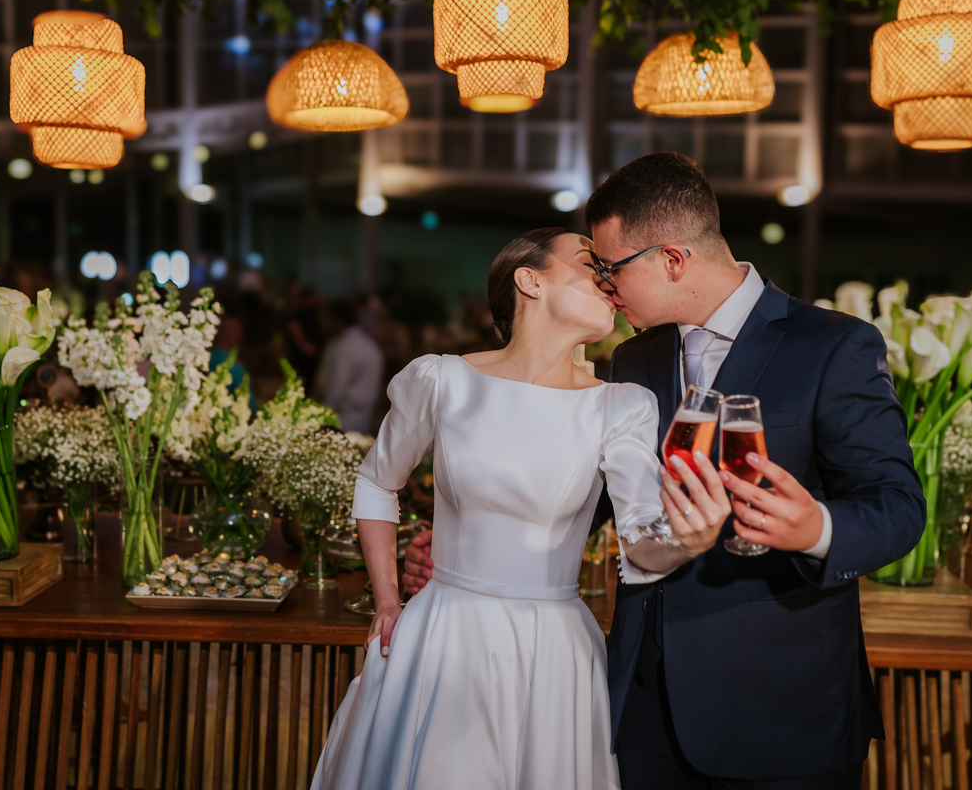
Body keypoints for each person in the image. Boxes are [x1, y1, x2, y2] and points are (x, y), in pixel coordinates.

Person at [405, 153, 926, 789]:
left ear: (672, 259)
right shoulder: (634, 358)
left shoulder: (835, 346)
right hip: (644, 701)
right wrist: (478, 540)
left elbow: (897, 506)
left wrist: (815, 528)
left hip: (778, 708)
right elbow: (598, 491)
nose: (605, 286)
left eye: (611, 268)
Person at [311, 228, 733, 790]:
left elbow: (640, 540)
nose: (608, 280)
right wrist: (387, 599)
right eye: (591, 264)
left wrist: (686, 541)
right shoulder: (441, 380)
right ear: (530, 281)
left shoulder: (621, 406)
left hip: (552, 648)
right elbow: (375, 482)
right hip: (443, 636)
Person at [316, 298, 385, 434]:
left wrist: (322, 417)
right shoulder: (371, 346)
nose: (324, 323)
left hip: (341, 421)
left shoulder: (344, 346)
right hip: (364, 421)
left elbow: (336, 387)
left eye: (327, 318)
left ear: (338, 320)